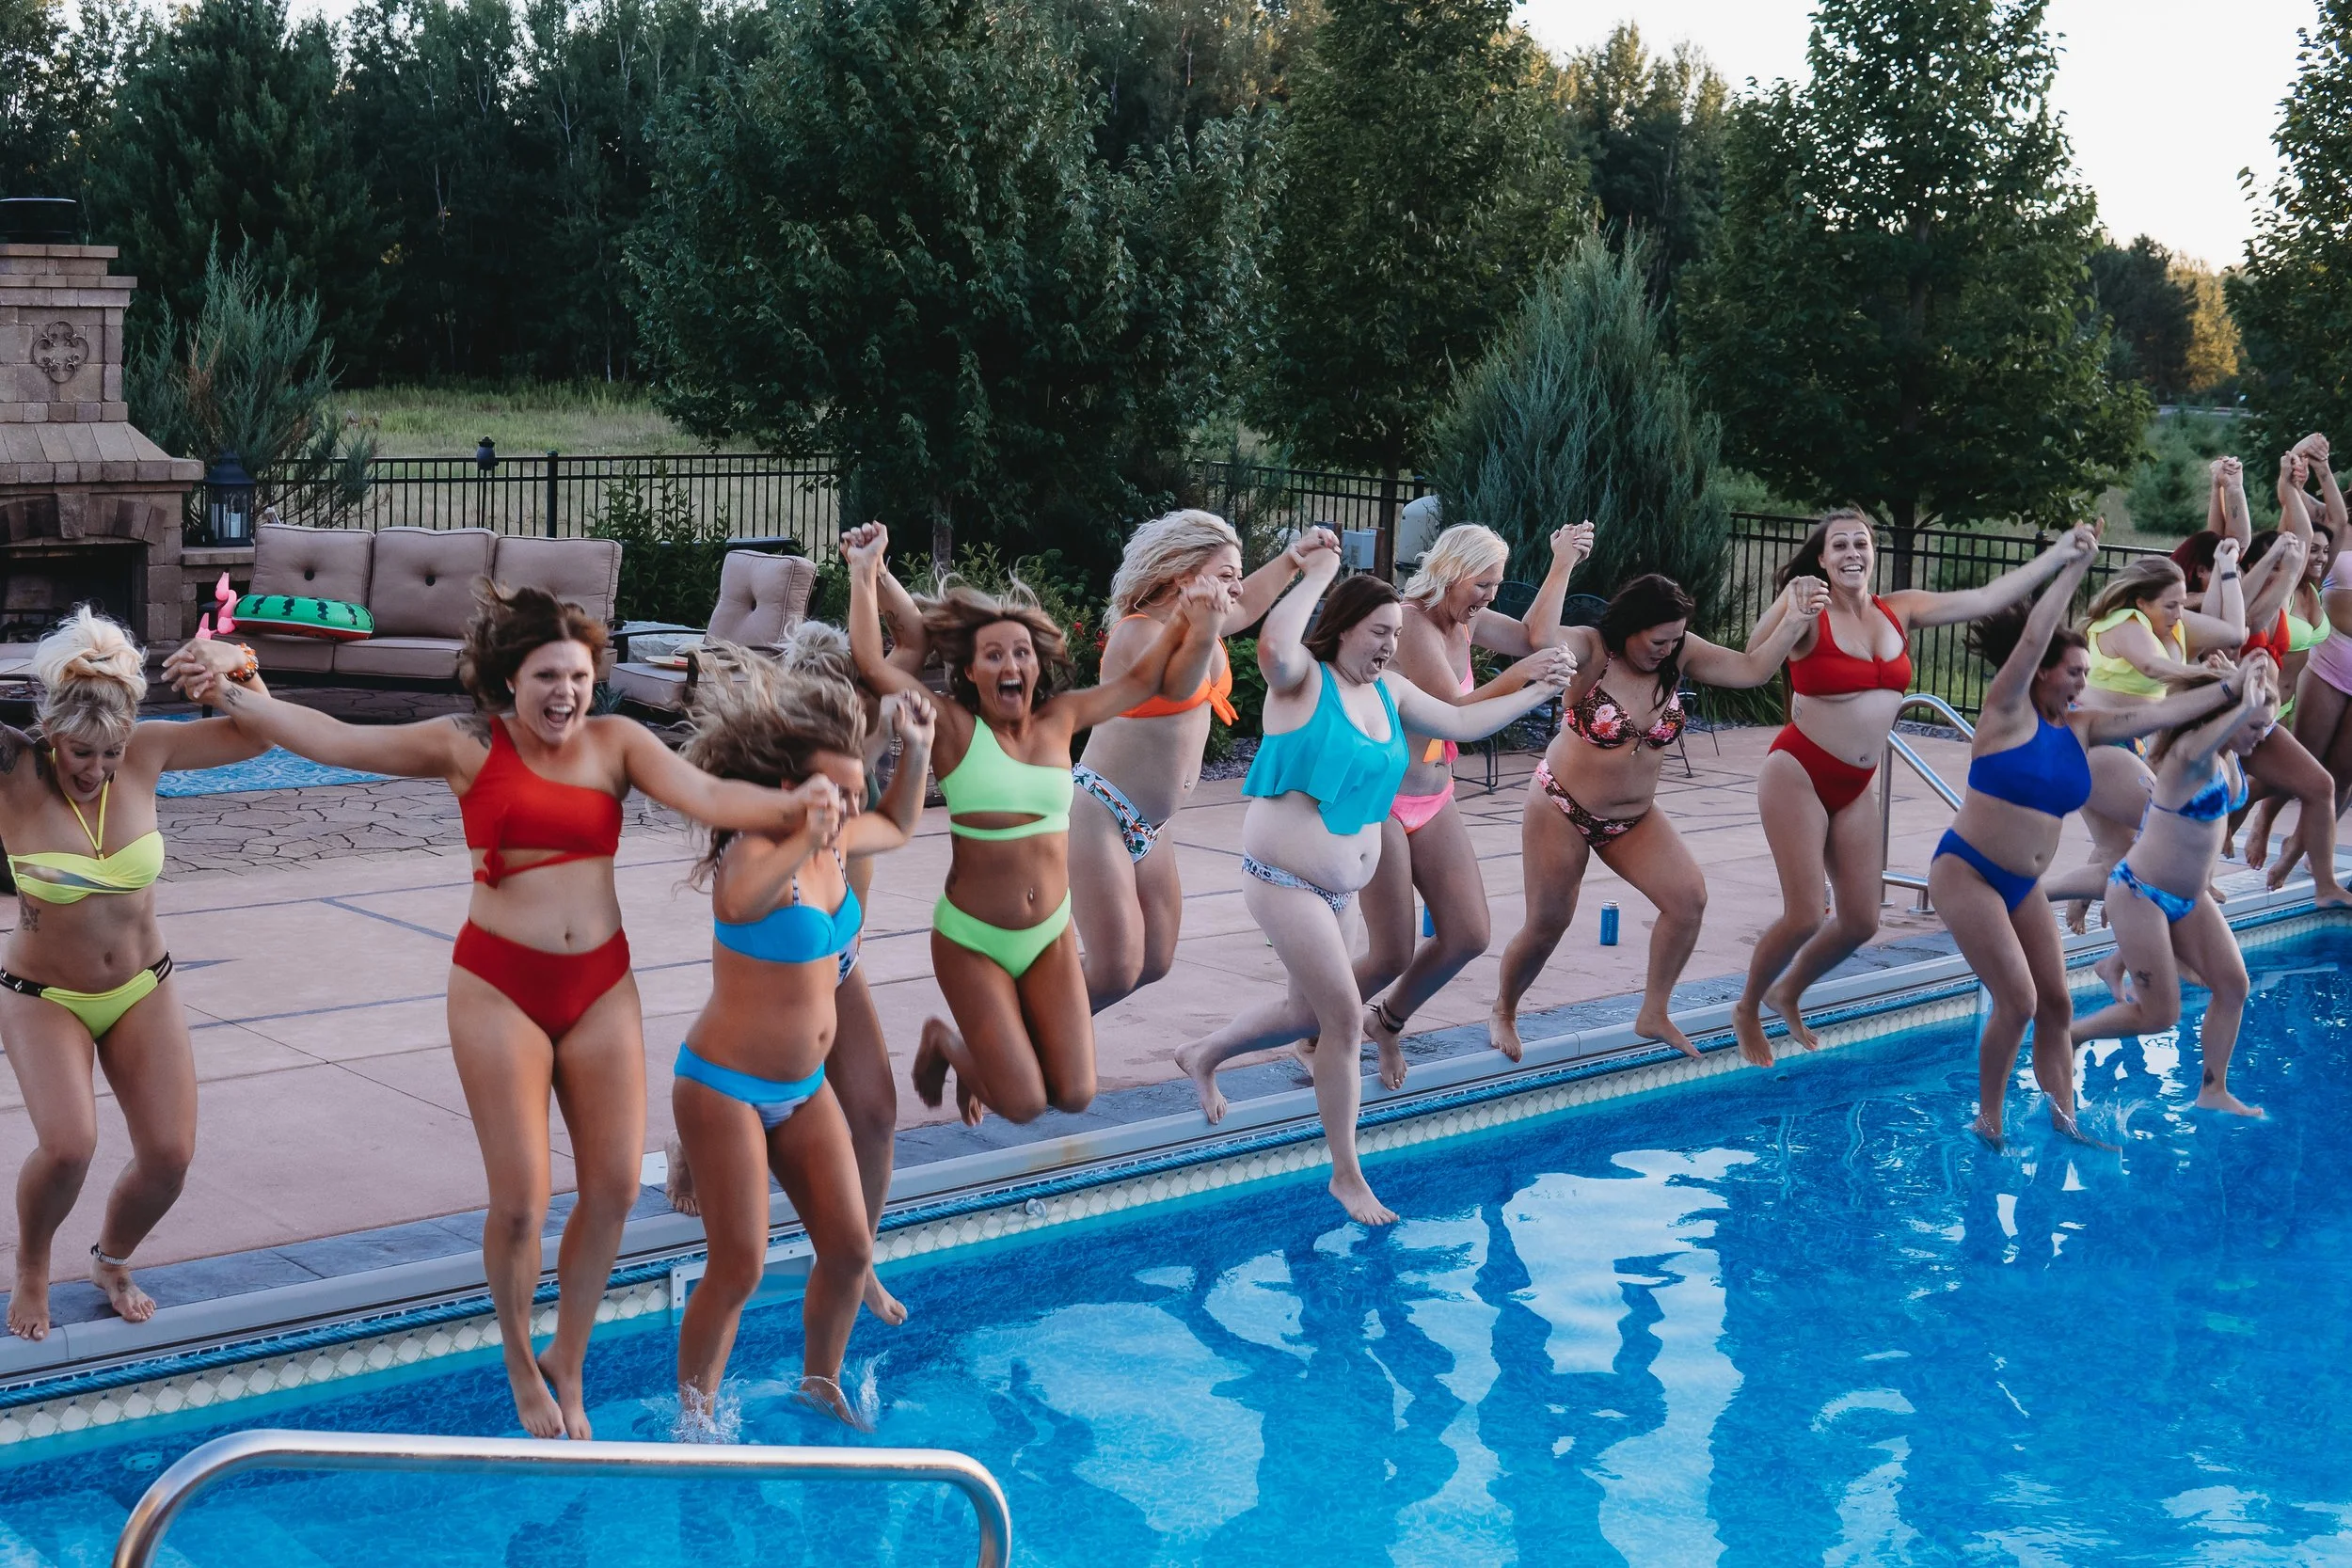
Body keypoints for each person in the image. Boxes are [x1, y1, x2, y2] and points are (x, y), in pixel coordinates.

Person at [168, 585, 816, 1440]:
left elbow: (709, 798)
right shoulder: (466, 743)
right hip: (499, 986)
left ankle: (567, 1358)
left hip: (600, 986)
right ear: (511, 678)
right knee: (520, 1203)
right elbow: (333, 738)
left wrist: (796, 809)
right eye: (547, 675)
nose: (565, 692)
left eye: (578, 676)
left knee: (616, 1186)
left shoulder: (617, 743)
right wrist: (235, 682)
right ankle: (518, 1357)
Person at [1171, 538, 1574, 1224]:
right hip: (1283, 880)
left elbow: (1463, 720)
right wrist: (1316, 573)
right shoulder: (1302, 681)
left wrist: (1539, 689)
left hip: (1338, 891)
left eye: (1394, 634)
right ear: (1344, 628)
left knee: (1304, 1013)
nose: (1390, 645)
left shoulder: (1389, 691)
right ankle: (1347, 1173)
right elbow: (1273, 645)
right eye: (1378, 632)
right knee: (1341, 1018)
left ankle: (1202, 1054)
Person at [843, 522, 1220, 1126]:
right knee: (1021, 1103)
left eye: (1021, 653)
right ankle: (947, 1045)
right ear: (971, 672)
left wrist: (1187, 618)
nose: (1010, 664)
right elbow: (870, 662)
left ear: (1037, 666)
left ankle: (976, 1055)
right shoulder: (953, 727)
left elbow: (1142, 681)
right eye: (993, 655)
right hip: (972, 940)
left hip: (1048, 935)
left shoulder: (1060, 719)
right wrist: (866, 572)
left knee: (1074, 1094)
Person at [1732, 514, 2113, 1067]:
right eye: (1839, 545)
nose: (1852, 553)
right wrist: (1788, 605)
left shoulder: (1899, 609)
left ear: (1874, 552)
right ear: (1822, 559)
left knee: (1861, 921)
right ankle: (1747, 1007)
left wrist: (2059, 555)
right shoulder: (1811, 612)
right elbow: (1754, 652)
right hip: (1798, 771)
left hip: (1856, 783)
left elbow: (1985, 597)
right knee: (1806, 914)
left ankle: (1787, 991)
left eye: (1861, 543)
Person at [670, 653, 934, 1431]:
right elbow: (739, 900)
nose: (850, 805)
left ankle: (819, 1383)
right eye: (836, 791)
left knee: (850, 1249)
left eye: (854, 790)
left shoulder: (837, 839)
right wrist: (802, 831)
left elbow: (900, 823)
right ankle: (695, 1423)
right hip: (723, 1085)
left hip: (802, 1088)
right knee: (740, 1264)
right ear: (791, 786)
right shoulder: (756, 847)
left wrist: (915, 750)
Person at [2, 610, 276, 1341]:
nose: (96, 770)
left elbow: (259, 734)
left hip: (141, 987)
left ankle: (112, 1260)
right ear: (50, 730)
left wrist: (236, 662)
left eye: (110, 752)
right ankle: (32, 1263)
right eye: (80, 752)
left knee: (170, 1157)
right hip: (43, 996)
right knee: (69, 1147)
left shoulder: (150, 749)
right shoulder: (14, 770)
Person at [1922, 529, 2242, 1147]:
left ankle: (2064, 1119)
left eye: (2086, 674)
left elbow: (2161, 712)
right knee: (2018, 1001)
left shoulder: (2081, 726)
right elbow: (2034, 636)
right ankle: (1989, 1118)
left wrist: (2230, 689)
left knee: (2058, 1005)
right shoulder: (2007, 712)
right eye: (2074, 672)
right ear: (2042, 672)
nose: (2081, 682)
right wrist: (2073, 566)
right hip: (1968, 871)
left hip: (2023, 883)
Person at [1494, 571, 1827, 1063]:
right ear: (1631, 627)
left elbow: (1752, 669)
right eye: (1658, 641)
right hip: (1562, 807)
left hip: (1633, 818)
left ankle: (1653, 1011)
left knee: (1688, 899)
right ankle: (1504, 1009)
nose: (1667, 650)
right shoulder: (1592, 650)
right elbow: (1539, 635)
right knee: (1548, 923)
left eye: (1675, 640)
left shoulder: (1679, 651)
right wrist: (1564, 560)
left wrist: (1794, 619)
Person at [1069, 513, 1333, 1011]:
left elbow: (1247, 605)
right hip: (1101, 811)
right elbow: (1178, 686)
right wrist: (1208, 626)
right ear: (1181, 576)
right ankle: (1017, 1045)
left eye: (1238, 574)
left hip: (1152, 824)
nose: (1236, 587)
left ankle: (1040, 1037)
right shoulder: (1135, 634)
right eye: (1225, 575)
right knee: (1113, 968)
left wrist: (1292, 559)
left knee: (1154, 962)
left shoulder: (1204, 623)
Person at [1360, 519, 1592, 1064]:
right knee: (1390, 953)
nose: (1488, 596)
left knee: (1468, 935)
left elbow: (1535, 637)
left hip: (1435, 798)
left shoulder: (1467, 620)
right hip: (1384, 803)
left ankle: (1385, 1021)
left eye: (1496, 584)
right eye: (1482, 584)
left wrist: (1561, 563)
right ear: (1449, 572)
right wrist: (1525, 676)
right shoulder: (1412, 623)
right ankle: (1313, 1029)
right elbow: (1454, 712)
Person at [2072, 661, 2277, 1120]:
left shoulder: (2226, 755)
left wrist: (2246, 688)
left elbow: (2244, 724)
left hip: (2189, 899)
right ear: (2227, 716)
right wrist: (2240, 699)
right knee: (2159, 1015)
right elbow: (2209, 732)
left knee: (2233, 986)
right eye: (2255, 725)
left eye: (2266, 726)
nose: (2262, 735)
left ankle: (2213, 1091)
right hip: (2141, 894)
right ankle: (2072, 1035)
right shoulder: (2187, 755)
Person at [2042, 549, 2251, 928]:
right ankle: (2188, 892)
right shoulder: (2126, 621)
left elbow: (2236, 635)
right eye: (2171, 604)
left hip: (2130, 743)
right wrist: (2211, 678)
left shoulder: (2172, 625)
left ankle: (2035, 897)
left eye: (2182, 602)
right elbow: (2152, 667)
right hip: (2096, 745)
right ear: (2142, 601)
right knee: (2167, 829)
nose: (2179, 612)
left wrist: (2226, 568)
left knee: (2121, 861)